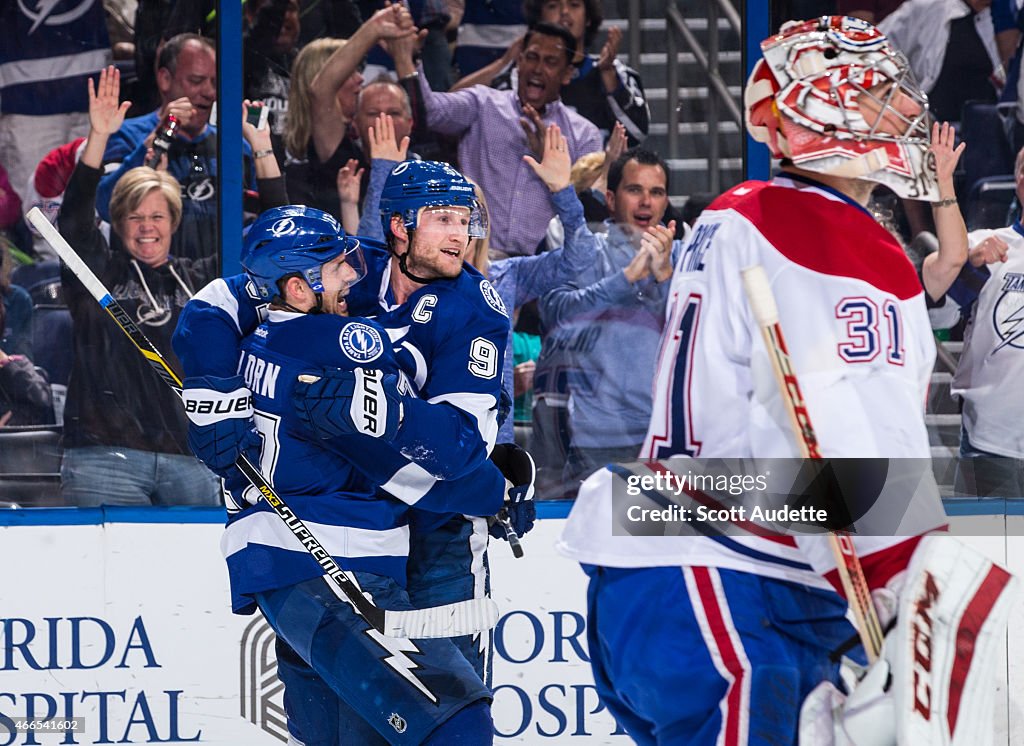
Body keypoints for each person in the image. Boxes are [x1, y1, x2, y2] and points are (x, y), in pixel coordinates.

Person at [557, 16, 1017, 745]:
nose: (897, 109)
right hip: (740, 576)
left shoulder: (737, 211)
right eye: (873, 96)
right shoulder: (825, 232)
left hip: (653, 565)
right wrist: (906, 577)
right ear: (822, 112)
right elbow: (842, 417)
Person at [179, 204, 507, 743]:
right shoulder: (345, 349)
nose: (353, 277)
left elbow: (211, 305)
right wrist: (501, 488)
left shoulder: (254, 340)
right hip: (341, 569)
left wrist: (210, 387)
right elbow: (416, 472)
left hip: (279, 572)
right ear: (300, 287)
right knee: (459, 724)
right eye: (337, 269)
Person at [57, 66, 220, 507]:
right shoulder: (98, 273)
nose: (146, 228)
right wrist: (98, 140)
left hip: (193, 456)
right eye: (134, 217)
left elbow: (267, 252)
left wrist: (261, 152)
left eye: (157, 217)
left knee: (201, 577)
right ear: (119, 223)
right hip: (105, 455)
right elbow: (72, 221)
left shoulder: (201, 277)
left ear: (174, 221)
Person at [392, 21, 603, 256]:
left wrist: (552, 164)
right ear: (519, 61)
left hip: (543, 267)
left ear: (567, 74)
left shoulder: (585, 134)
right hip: (475, 258)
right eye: (532, 57)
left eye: (551, 62)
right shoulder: (483, 104)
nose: (538, 68)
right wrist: (411, 59)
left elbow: (587, 211)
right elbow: (431, 112)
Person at [539, 146, 681, 490]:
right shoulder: (585, 252)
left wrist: (666, 279)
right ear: (611, 198)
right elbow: (556, 316)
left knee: (660, 542)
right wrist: (626, 279)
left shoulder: (681, 260)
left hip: (671, 440)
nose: (646, 202)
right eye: (635, 190)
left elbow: (699, 338)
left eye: (656, 192)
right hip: (599, 441)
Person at [96, 34, 240, 261]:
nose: (209, 92)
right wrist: (155, 141)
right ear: (164, 79)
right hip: (146, 283)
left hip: (219, 282)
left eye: (214, 82)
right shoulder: (126, 136)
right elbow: (105, 208)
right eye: (196, 80)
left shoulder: (233, 147)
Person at [936, 145, 1024, 497]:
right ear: (1019, 181)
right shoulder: (983, 247)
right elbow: (937, 316)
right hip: (991, 440)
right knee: (989, 550)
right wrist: (969, 269)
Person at [282, 5, 415, 218]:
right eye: (351, 71)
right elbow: (321, 89)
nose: (361, 79)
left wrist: (402, 55)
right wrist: (374, 28)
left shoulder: (353, 143)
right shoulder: (334, 149)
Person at [455, 0, 650, 145]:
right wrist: (504, 62)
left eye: (574, 5)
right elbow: (452, 105)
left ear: (589, 18)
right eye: (553, 6)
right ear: (539, 17)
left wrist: (608, 74)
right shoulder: (521, 76)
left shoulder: (616, 73)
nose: (564, 12)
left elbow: (638, 133)